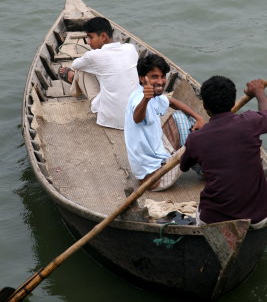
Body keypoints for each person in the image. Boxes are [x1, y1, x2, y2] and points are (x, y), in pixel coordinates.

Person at [180, 76, 267, 228]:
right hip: (258, 217)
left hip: (213, 221)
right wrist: (259, 91)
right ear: (233, 103)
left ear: (205, 107)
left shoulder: (195, 139)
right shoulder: (250, 122)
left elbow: (183, 166)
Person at [124, 53, 206, 191]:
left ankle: (202, 164)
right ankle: (207, 170)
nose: (161, 81)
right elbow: (137, 117)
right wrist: (146, 99)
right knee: (198, 138)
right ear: (142, 79)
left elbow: (172, 101)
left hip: (159, 155)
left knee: (181, 117)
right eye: (154, 77)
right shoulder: (139, 99)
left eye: (162, 76)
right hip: (156, 178)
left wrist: (199, 117)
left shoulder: (154, 95)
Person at [58, 17, 139, 130]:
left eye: (90, 37)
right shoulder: (130, 48)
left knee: (82, 70)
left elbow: (76, 65)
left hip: (111, 120)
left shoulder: (94, 56)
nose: (89, 42)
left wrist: (92, 56)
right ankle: (74, 80)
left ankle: (73, 81)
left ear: (103, 37)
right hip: (136, 117)